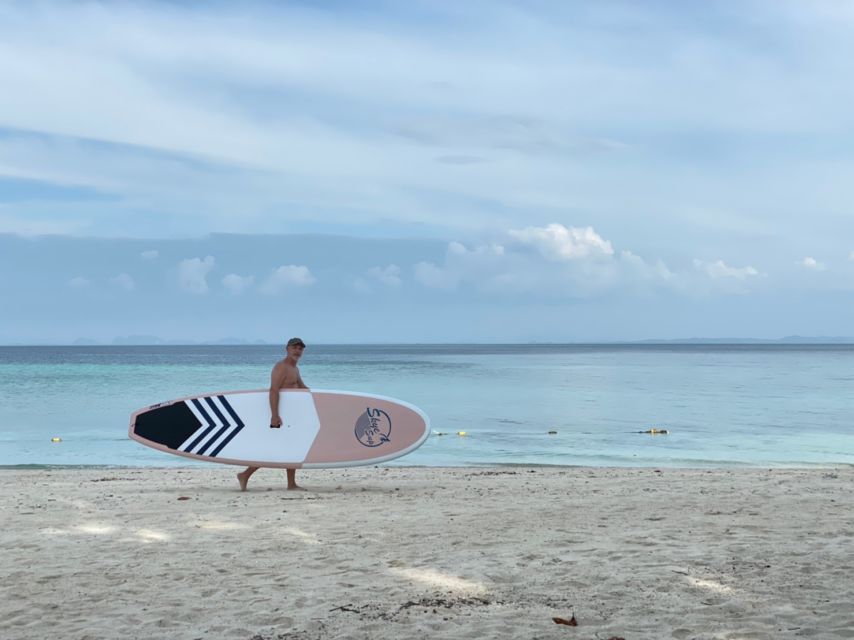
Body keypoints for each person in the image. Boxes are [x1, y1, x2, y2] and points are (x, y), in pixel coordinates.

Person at [237, 337, 309, 491]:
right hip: (280, 415)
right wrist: (274, 415)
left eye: (300, 348)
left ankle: (291, 484)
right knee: (273, 448)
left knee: (292, 448)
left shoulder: (295, 369)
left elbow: (303, 388)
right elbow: (274, 390)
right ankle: (245, 474)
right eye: (294, 347)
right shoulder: (281, 367)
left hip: (292, 415)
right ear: (287, 349)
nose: (297, 350)